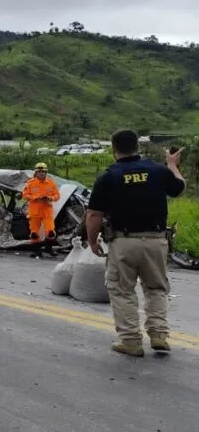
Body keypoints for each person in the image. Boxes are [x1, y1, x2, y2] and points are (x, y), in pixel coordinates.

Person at [85, 129, 186, 357]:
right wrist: (171, 164)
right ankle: (159, 334)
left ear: (114, 150)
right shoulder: (158, 171)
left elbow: (93, 215)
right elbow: (179, 187)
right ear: (137, 148)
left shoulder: (109, 176)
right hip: (156, 241)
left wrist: (92, 241)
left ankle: (130, 340)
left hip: (124, 242)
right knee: (156, 287)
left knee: (122, 290)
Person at [22, 162, 61, 258]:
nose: (41, 173)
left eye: (43, 172)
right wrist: (36, 198)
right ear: (36, 172)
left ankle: (49, 248)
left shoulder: (51, 183)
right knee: (34, 233)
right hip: (34, 212)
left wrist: (51, 198)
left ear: (46, 172)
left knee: (50, 231)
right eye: (39, 172)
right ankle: (36, 251)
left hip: (47, 211)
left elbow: (57, 195)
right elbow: (25, 195)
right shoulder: (30, 183)